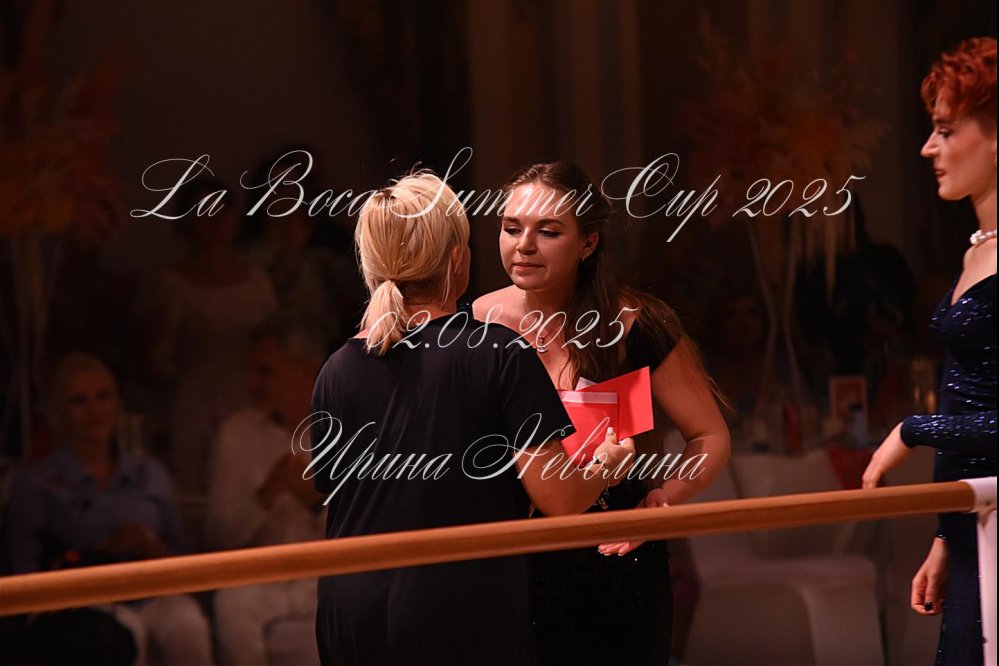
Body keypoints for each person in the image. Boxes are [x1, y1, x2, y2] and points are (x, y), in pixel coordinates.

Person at [310, 172, 635, 666]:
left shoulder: (337, 369)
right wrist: (607, 465)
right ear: (457, 260)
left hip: (348, 610)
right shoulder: (498, 353)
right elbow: (561, 498)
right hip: (458, 608)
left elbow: (344, 492)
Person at [473, 161, 731, 665]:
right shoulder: (477, 322)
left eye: (548, 231)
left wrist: (662, 500)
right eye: (511, 228)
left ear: (588, 243)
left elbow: (710, 436)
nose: (524, 245)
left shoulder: (636, 323)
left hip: (618, 567)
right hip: (513, 568)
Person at [862, 36, 996, 666]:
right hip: (976, 524)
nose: (927, 148)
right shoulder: (978, 251)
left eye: (945, 130)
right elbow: (967, 387)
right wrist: (947, 532)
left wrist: (914, 429)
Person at [5, 353, 214, 666]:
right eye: (80, 401)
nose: (94, 410)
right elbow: (25, 573)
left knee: (187, 626)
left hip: (153, 592)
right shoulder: (36, 484)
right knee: (121, 636)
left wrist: (154, 550)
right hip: (83, 603)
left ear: (117, 404)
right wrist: (104, 549)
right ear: (58, 412)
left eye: (103, 396)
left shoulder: (150, 473)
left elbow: (180, 552)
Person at [207, 316, 327, 666]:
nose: (251, 383)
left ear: (307, 370)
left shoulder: (352, 428)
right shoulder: (235, 434)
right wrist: (264, 497)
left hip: (327, 578)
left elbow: (374, 527)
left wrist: (317, 501)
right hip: (262, 578)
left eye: (265, 372)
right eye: (250, 371)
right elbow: (219, 537)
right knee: (231, 604)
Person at [148, 177, 277, 496]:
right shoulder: (172, 284)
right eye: (204, 211)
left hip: (246, 397)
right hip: (194, 403)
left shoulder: (256, 281)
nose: (215, 220)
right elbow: (156, 362)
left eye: (222, 210)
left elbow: (274, 346)